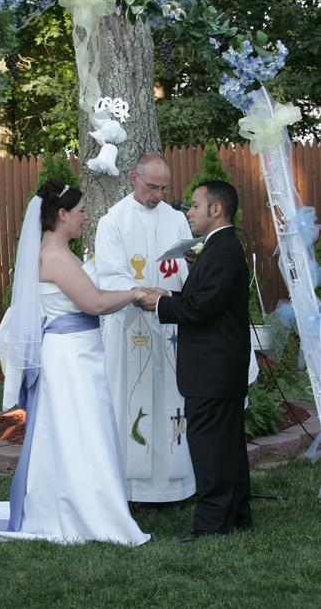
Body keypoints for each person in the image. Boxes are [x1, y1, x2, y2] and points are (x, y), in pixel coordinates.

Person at [0, 179, 150, 545]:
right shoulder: (56, 256)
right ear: (62, 214)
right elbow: (93, 303)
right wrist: (135, 293)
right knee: (81, 428)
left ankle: (80, 502)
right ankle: (89, 511)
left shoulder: (55, 250)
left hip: (76, 351)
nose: (85, 217)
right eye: (81, 211)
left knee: (76, 429)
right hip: (71, 357)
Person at [140, 180, 252, 541]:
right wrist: (169, 294)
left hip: (213, 368)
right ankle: (237, 515)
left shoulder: (221, 251)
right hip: (220, 365)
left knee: (209, 447)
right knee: (227, 445)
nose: (188, 211)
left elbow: (201, 309)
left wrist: (159, 304)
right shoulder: (221, 247)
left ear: (215, 209)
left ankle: (212, 525)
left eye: (194, 205)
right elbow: (204, 298)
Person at [95, 152, 196, 505]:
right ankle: (132, 488)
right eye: (152, 187)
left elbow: (184, 269)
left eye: (164, 188)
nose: (159, 195)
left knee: (172, 400)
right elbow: (110, 274)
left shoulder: (176, 219)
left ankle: (176, 484)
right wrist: (141, 294)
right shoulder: (113, 221)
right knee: (131, 400)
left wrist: (171, 291)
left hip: (170, 327)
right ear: (134, 179)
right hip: (130, 326)